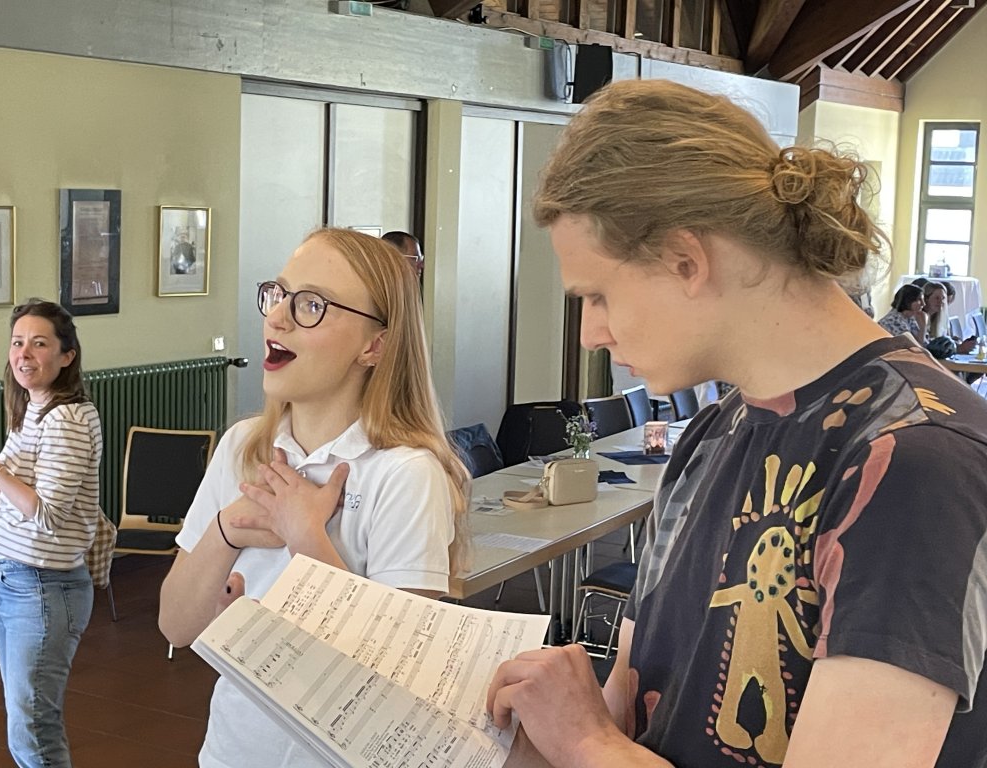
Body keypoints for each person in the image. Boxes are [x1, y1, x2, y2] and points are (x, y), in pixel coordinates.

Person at [485, 80, 987, 768]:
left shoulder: (916, 459)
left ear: (686, 261)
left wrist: (581, 740)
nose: (590, 334)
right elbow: (631, 720)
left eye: (597, 296)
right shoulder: (714, 432)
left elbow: (600, 744)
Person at [158, 227, 468, 768]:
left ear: (374, 345)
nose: (277, 318)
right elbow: (176, 627)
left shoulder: (405, 474)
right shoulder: (243, 447)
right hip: (230, 754)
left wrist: (307, 539)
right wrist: (226, 531)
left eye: (312, 305)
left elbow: (404, 684)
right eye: (278, 295)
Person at [0, 300, 102, 768]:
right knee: (24, 724)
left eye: (39, 343)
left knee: (33, 732)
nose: (23, 353)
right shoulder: (35, 408)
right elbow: (11, 490)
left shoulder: (68, 419)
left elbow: (48, 514)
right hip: (13, 580)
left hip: (42, 587)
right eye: (17, 342)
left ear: (67, 355)